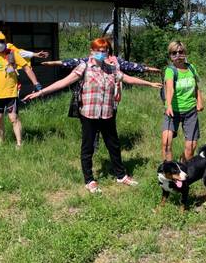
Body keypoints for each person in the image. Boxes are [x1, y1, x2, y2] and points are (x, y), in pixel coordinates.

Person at [23, 37, 162, 194]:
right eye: (98, 51)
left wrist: (149, 84)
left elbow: (127, 79)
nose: (102, 53)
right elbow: (64, 82)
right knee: (88, 147)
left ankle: (121, 175)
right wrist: (41, 92)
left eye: (104, 51)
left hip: (107, 114)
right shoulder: (84, 67)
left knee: (114, 145)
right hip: (89, 114)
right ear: (92, 51)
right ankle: (89, 180)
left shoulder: (111, 68)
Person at [161, 41, 203, 163]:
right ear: (170, 55)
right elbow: (170, 88)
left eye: (181, 52)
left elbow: (196, 86)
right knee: (166, 143)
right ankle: (168, 173)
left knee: (191, 148)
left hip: (190, 111)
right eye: (174, 53)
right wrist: (168, 105)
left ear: (185, 53)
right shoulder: (170, 70)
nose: (178, 55)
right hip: (172, 111)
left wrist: (199, 101)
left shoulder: (191, 68)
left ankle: (182, 167)